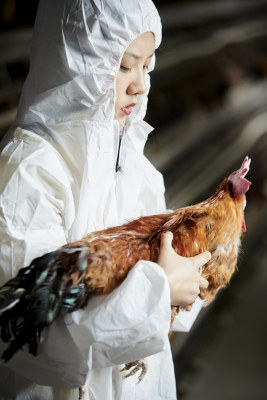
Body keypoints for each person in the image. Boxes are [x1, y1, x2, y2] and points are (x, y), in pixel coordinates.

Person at [0, 0, 210, 399]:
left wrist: (186, 282)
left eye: (147, 66)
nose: (141, 85)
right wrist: (157, 294)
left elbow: (159, 298)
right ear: (78, 62)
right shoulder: (31, 171)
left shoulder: (134, 164)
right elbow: (27, 333)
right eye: (123, 65)